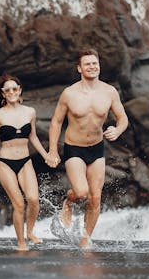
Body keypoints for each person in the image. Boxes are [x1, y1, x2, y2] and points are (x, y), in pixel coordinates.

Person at [48, 49, 128, 249]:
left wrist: (118, 130)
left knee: (96, 196)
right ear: (79, 68)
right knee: (81, 192)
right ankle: (69, 200)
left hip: (97, 148)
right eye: (87, 64)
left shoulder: (109, 92)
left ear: (98, 65)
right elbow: (56, 122)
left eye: (95, 63)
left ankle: (85, 239)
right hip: (74, 148)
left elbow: (123, 118)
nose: (92, 67)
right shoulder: (69, 93)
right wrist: (52, 150)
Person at [0, 74, 53, 251]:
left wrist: (46, 155)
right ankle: (21, 243)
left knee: (34, 200)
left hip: (25, 161)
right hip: (6, 163)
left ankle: (31, 231)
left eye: (14, 89)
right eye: (7, 90)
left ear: (19, 90)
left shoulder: (30, 112)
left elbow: (33, 136)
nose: (11, 92)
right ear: (3, 94)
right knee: (19, 204)